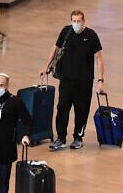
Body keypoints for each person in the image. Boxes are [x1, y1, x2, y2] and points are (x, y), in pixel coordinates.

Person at [40, 10, 104, 151]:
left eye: (78, 21)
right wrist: (46, 67)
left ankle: (78, 137)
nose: (76, 24)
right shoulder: (66, 31)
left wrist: (100, 80)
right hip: (66, 80)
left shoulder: (91, 36)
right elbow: (56, 48)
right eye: (73, 21)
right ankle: (60, 138)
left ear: (84, 21)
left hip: (84, 82)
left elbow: (99, 58)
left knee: (81, 110)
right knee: (62, 108)